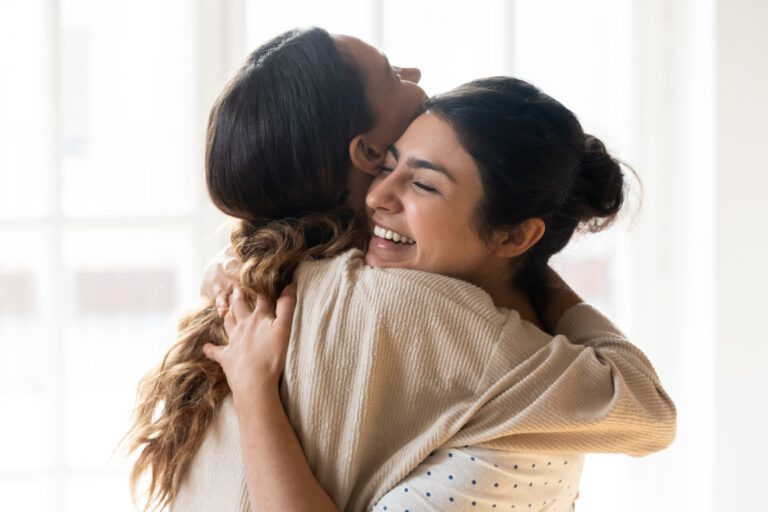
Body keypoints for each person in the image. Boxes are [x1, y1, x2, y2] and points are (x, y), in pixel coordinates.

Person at [122, 28, 675, 512]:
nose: (415, 74)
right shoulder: (411, 306)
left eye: (422, 179)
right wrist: (529, 262)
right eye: (391, 71)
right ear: (366, 153)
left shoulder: (264, 277)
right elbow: (646, 412)